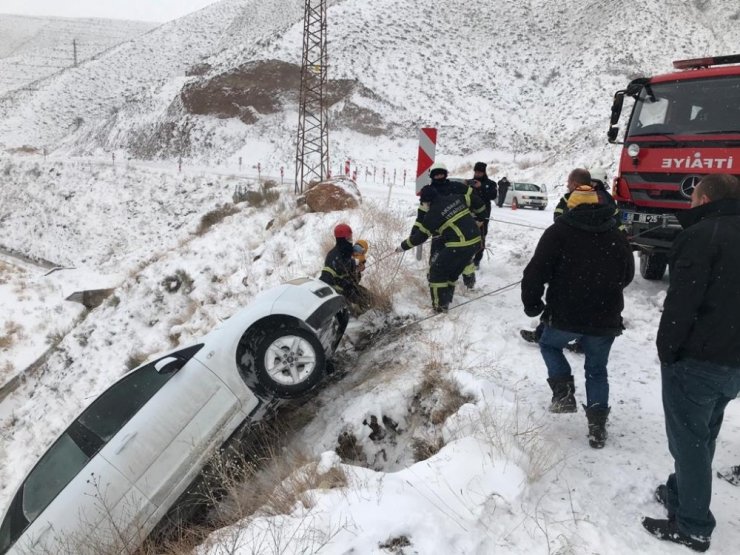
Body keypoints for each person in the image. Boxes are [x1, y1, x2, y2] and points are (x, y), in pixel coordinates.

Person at [642, 174, 740, 552]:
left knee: (689, 441)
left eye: (692, 199)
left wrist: (667, 350)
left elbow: (681, 304)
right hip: (732, 361)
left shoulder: (702, 235)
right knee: (703, 435)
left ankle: (694, 524)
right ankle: (679, 494)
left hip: (698, 358)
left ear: (703, 200)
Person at [521, 169, 634, 448]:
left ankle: (563, 394)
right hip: (605, 317)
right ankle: (597, 427)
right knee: (597, 369)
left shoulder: (558, 232)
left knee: (549, 345)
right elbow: (628, 274)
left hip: (565, 314)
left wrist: (533, 305)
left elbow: (535, 273)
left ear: (570, 206)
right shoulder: (616, 234)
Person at [397, 162, 483, 312]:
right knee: (450, 266)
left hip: (457, 240)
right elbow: (420, 219)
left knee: (437, 271)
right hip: (465, 237)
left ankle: (441, 307)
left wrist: (404, 245)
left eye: (441, 173)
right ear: (432, 176)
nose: (439, 176)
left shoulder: (453, 189)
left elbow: (423, 231)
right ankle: (447, 297)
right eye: (436, 174)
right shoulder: (453, 195)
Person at [320, 223, 372, 314]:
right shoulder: (333, 256)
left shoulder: (348, 253)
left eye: (351, 238)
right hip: (341, 292)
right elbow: (328, 278)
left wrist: (358, 270)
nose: (350, 241)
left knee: (372, 299)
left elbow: (354, 279)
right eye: (348, 238)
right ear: (341, 240)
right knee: (365, 306)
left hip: (351, 287)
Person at [469, 162, 497, 269]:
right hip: (469, 213)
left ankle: (477, 260)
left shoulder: (490, 184)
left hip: (483, 215)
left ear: (484, 172)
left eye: (479, 172)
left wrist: (481, 187)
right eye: (476, 172)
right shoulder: (470, 182)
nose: (477, 174)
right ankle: (467, 258)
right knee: (467, 236)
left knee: (481, 237)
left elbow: (493, 195)